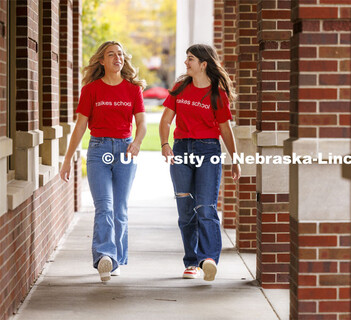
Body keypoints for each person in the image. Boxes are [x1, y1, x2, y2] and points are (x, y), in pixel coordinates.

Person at [59, 41, 146, 282]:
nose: (117, 58)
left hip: (125, 150)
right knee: (105, 206)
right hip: (98, 150)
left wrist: (137, 142)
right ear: (102, 61)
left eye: (120, 54)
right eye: (111, 54)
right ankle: (104, 257)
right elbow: (80, 127)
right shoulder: (91, 89)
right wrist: (67, 160)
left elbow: (142, 123)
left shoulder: (132, 90)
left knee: (120, 210)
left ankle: (114, 258)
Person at [160, 44, 240, 281]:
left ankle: (209, 260)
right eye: (187, 58)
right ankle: (192, 262)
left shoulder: (217, 94)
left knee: (205, 208)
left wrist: (235, 160)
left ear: (204, 64)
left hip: (208, 150)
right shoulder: (180, 88)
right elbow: (165, 121)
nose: (186, 63)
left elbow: (225, 129)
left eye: (191, 59)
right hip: (182, 150)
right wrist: (165, 144)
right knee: (186, 211)